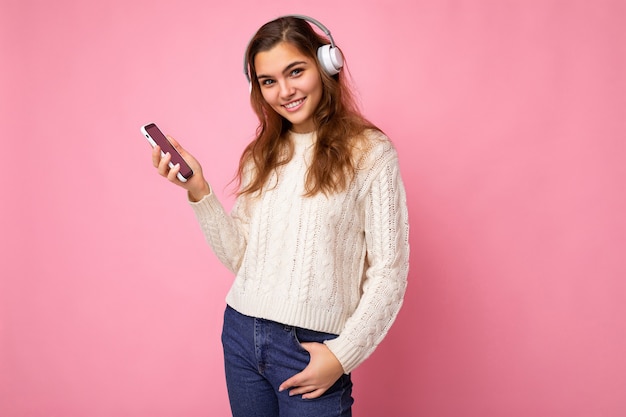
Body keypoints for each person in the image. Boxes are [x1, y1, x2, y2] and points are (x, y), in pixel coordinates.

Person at [151, 14, 409, 417]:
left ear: (327, 65)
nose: (284, 91)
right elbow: (242, 258)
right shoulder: (262, 154)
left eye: (296, 71)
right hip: (241, 333)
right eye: (268, 81)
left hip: (312, 348)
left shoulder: (371, 153)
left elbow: (389, 272)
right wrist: (198, 191)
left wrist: (342, 355)